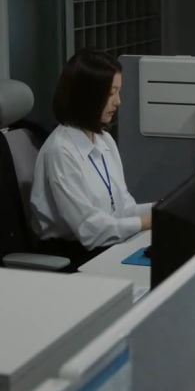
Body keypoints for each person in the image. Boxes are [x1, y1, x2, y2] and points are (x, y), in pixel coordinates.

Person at [30, 49, 151, 268]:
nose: (118, 102)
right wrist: (144, 222)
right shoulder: (61, 151)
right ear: (89, 96)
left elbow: (123, 208)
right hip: (75, 255)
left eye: (119, 92)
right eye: (111, 93)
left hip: (107, 245)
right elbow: (89, 230)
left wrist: (160, 211)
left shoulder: (104, 139)